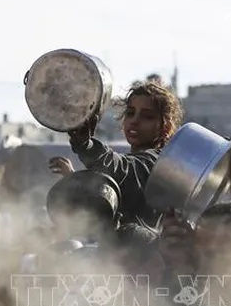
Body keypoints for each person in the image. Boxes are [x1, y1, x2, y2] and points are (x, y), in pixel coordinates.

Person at [49, 76, 183, 229]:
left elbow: (122, 169)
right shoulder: (137, 161)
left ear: (164, 127)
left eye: (147, 117)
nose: (135, 121)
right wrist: (74, 178)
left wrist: (87, 145)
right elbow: (107, 196)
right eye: (131, 113)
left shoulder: (156, 163)